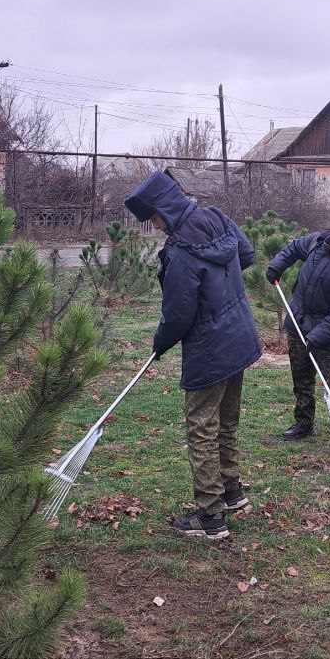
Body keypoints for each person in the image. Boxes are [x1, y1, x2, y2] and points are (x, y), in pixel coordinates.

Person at [124, 169, 261, 540]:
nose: (153, 226)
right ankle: (232, 491)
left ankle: (210, 516)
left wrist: (160, 342)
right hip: (240, 336)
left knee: (202, 426)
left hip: (210, 348)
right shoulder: (217, 217)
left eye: (152, 217)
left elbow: (178, 315)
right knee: (227, 420)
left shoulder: (180, 253)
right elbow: (246, 255)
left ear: (164, 209)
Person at [265, 215, 330, 441]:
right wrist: (277, 265)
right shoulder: (316, 243)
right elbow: (294, 248)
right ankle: (303, 423)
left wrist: (317, 336)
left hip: (328, 335)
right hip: (298, 323)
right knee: (301, 378)